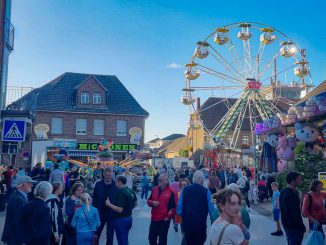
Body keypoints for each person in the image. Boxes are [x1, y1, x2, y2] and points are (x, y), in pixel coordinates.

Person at [177, 170, 215, 245]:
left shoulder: (185, 190)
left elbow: (179, 210)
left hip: (187, 227)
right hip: (201, 227)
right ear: (201, 179)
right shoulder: (206, 192)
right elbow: (212, 212)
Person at [1, 176, 35, 245]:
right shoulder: (19, 199)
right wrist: (23, 239)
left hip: (14, 235)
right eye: (30, 183)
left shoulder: (19, 196)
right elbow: (18, 221)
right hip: (15, 237)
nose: (32, 185)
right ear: (24, 184)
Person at [106, 175, 137, 245]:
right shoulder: (130, 190)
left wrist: (109, 204)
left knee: (122, 242)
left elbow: (120, 210)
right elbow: (135, 204)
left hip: (121, 220)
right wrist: (128, 209)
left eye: (116, 182)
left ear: (120, 182)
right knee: (125, 239)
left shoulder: (121, 192)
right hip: (129, 218)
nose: (115, 183)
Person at [147, 173, 178, 245]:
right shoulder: (155, 189)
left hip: (164, 220)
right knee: (151, 239)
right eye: (158, 180)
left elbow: (173, 207)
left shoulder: (172, 192)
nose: (158, 182)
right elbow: (149, 200)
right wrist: (152, 203)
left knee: (162, 240)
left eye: (160, 180)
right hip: (154, 218)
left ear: (166, 181)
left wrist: (168, 217)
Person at [92, 167, 117, 245]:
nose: (108, 177)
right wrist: (94, 211)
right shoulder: (98, 184)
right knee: (96, 235)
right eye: (107, 175)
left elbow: (118, 200)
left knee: (110, 236)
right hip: (99, 213)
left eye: (110, 175)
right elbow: (94, 198)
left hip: (111, 214)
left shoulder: (115, 185)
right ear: (103, 175)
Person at [280, 172, 306, 245]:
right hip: (294, 228)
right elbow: (295, 214)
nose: (301, 181)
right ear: (293, 180)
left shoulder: (283, 191)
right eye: (299, 179)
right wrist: (301, 227)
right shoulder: (292, 195)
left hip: (287, 225)